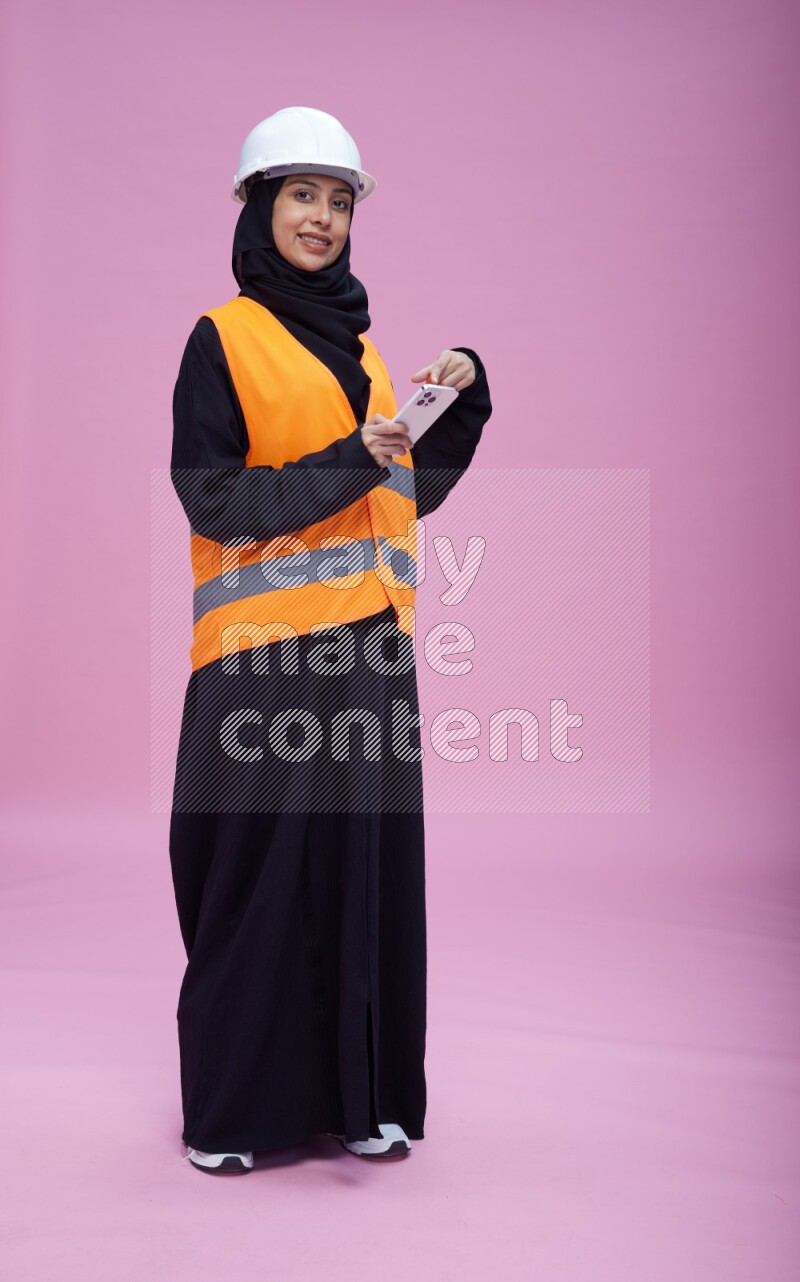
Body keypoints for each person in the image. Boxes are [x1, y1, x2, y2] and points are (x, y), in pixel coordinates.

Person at [168, 106, 492, 1174]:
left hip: (369, 652)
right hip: (262, 659)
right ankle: (235, 1115)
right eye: (301, 194)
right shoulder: (223, 337)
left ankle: (365, 1102)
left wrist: (462, 410)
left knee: (363, 877)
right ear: (259, 206)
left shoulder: (364, 352)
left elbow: (392, 501)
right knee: (255, 882)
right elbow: (211, 496)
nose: (322, 217)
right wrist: (352, 457)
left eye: (339, 199)